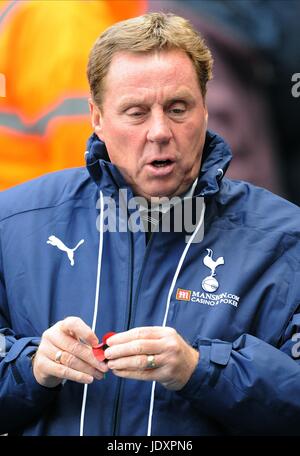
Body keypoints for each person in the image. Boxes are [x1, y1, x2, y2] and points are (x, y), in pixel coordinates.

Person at [0, 12, 300, 436]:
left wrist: (202, 370)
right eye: (136, 112)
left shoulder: (286, 238)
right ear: (97, 117)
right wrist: (30, 367)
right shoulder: (12, 223)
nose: (160, 131)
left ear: (206, 110)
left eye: (178, 108)